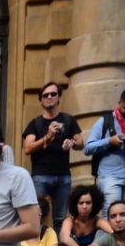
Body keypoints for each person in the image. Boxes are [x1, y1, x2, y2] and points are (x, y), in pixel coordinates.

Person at [22, 82, 82, 227]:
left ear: (59, 97)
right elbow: (27, 148)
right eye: (45, 95)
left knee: (61, 217)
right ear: (41, 100)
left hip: (63, 176)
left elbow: (80, 143)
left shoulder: (68, 120)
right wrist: (47, 137)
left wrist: (72, 143)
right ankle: (40, 242)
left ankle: (59, 243)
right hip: (41, 176)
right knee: (39, 215)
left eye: (53, 94)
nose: (49, 97)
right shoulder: (35, 124)